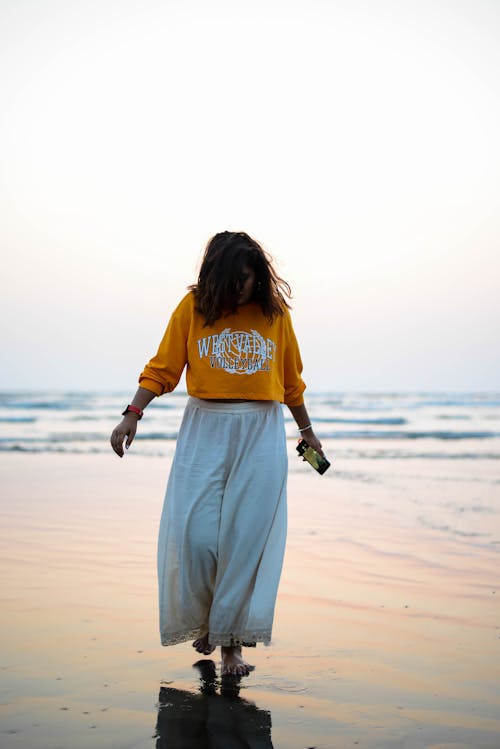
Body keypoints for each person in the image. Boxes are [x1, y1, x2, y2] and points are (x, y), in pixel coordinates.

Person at [110, 231, 325, 677]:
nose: (240, 288)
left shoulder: (273, 314)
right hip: (204, 427)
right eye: (233, 279)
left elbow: (291, 382)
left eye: (247, 279)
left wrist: (308, 433)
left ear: (259, 276)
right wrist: (133, 412)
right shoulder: (194, 308)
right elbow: (164, 368)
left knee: (244, 541)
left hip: (260, 431)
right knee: (197, 538)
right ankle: (208, 621)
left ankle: (230, 645)